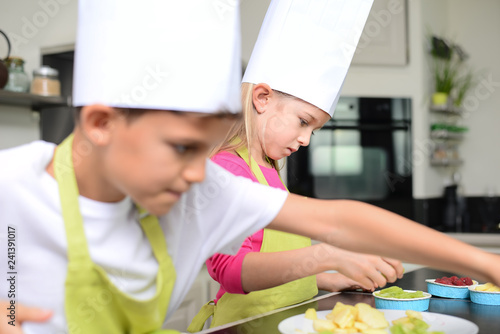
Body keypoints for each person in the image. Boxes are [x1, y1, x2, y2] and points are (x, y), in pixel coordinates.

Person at [2, 1, 500, 334]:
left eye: (205, 149)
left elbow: (337, 220)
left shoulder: (201, 191)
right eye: (180, 148)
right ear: (102, 123)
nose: (201, 173)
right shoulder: (12, 186)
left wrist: (482, 263)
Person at [188, 0, 403, 330]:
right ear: (262, 98)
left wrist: (326, 279)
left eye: (312, 129)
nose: (306, 139)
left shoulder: (270, 168)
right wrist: (328, 255)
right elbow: (230, 270)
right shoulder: (228, 170)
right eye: (303, 121)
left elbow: (277, 265)